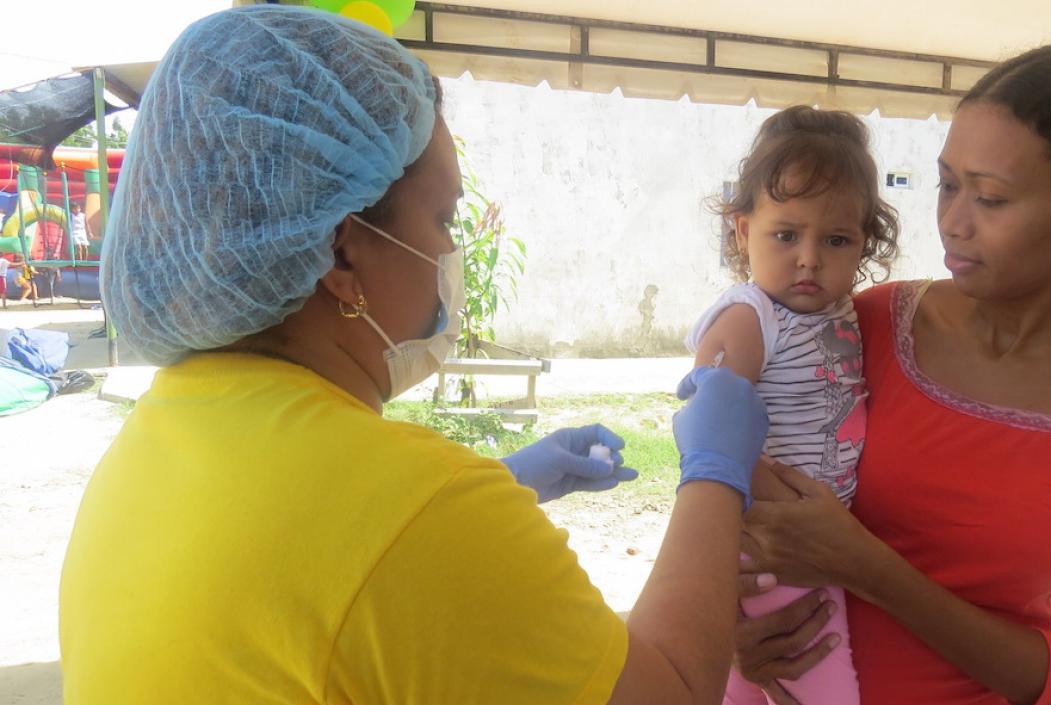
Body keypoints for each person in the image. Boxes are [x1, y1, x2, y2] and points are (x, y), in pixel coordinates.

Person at [59, 7, 771, 704]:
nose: (451, 254)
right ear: (341, 250)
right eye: (443, 218)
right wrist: (714, 472)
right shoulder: (418, 513)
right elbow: (672, 690)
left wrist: (502, 482)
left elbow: (317, 570)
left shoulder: (147, 445)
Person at [730, 41, 1051, 705]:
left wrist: (868, 569)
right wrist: (732, 629)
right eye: (948, 184)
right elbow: (726, 480)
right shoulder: (861, 323)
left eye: (989, 198)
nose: (953, 224)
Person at [686, 106, 897, 705]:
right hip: (779, 539)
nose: (809, 257)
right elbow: (708, 436)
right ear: (740, 229)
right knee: (822, 683)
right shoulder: (749, 317)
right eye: (786, 234)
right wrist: (794, 518)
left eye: (836, 239)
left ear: (864, 242)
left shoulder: (841, 313)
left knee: (751, 687)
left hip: (815, 540)